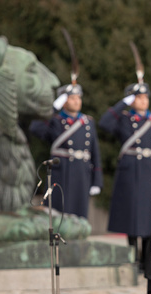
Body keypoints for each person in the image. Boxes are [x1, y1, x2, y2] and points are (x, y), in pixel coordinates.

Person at [98, 82, 151, 275]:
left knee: (148, 217)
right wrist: (123, 102)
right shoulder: (123, 118)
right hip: (129, 171)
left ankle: (146, 260)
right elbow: (104, 123)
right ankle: (132, 257)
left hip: (150, 171)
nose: (143, 101)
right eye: (138, 97)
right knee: (130, 216)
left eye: (145, 97)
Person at [30, 83, 103, 218]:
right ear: (63, 101)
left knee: (80, 215)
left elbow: (95, 152)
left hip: (82, 172)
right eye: (72, 98)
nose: (77, 101)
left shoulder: (87, 122)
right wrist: (53, 108)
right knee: (59, 213)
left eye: (78, 98)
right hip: (61, 172)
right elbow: (35, 128)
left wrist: (97, 180)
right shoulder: (55, 120)